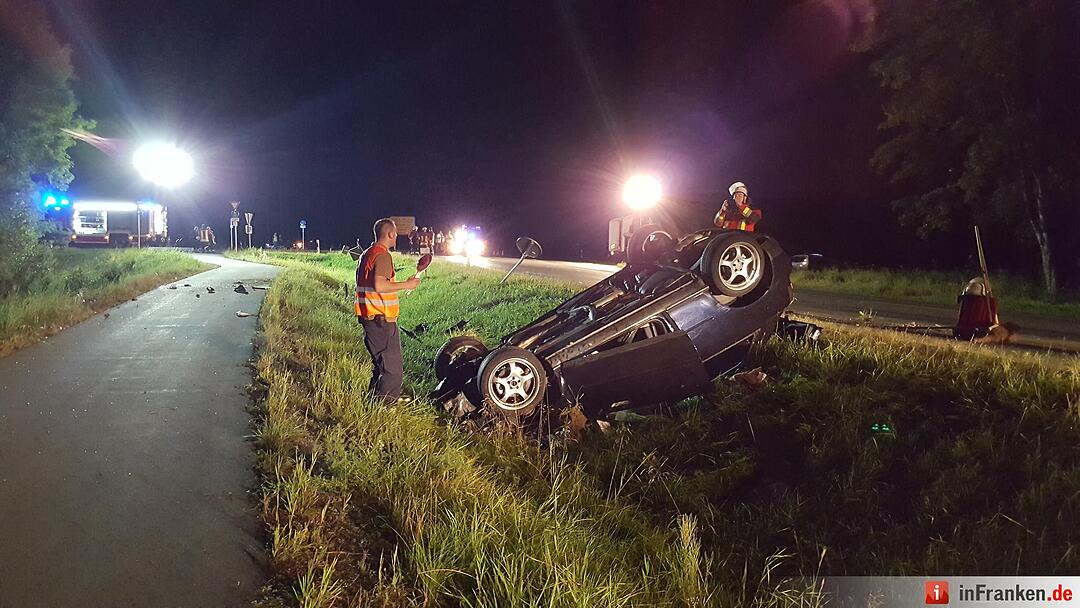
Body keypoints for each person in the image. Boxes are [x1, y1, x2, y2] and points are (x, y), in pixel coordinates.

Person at [355, 218, 421, 402]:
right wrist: (407, 284)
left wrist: (402, 283)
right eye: (396, 233)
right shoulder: (383, 255)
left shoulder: (368, 253)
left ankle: (374, 403)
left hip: (371, 319)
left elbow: (377, 284)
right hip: (381, 321)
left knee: (381, 367)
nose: (397, 236)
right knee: (392, 371)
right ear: (391, 234)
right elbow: (379, 285)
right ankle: (385, 409)